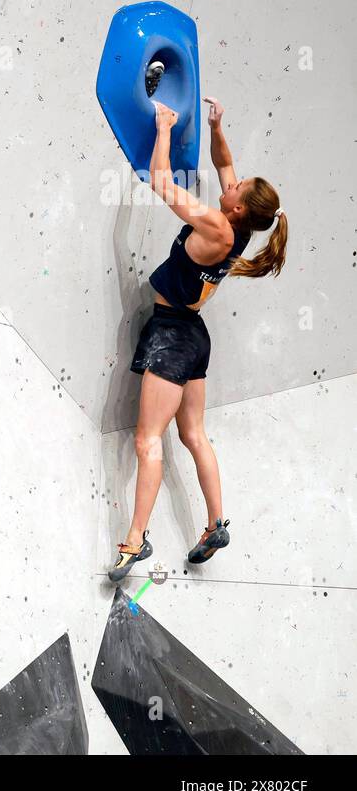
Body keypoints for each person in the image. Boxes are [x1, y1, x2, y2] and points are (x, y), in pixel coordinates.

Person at [109, 97, 289, 582]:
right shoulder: (243, 226)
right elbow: (225, 163)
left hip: (172, 338)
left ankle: (134, 541)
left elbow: (161, 181)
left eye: (237, 189)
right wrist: (217, 126)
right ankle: (214, 525)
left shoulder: (215, 225)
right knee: (193, 434)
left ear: (235, 207)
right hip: (194, 337)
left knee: (149, 440)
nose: (231, 184)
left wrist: (164, 127)